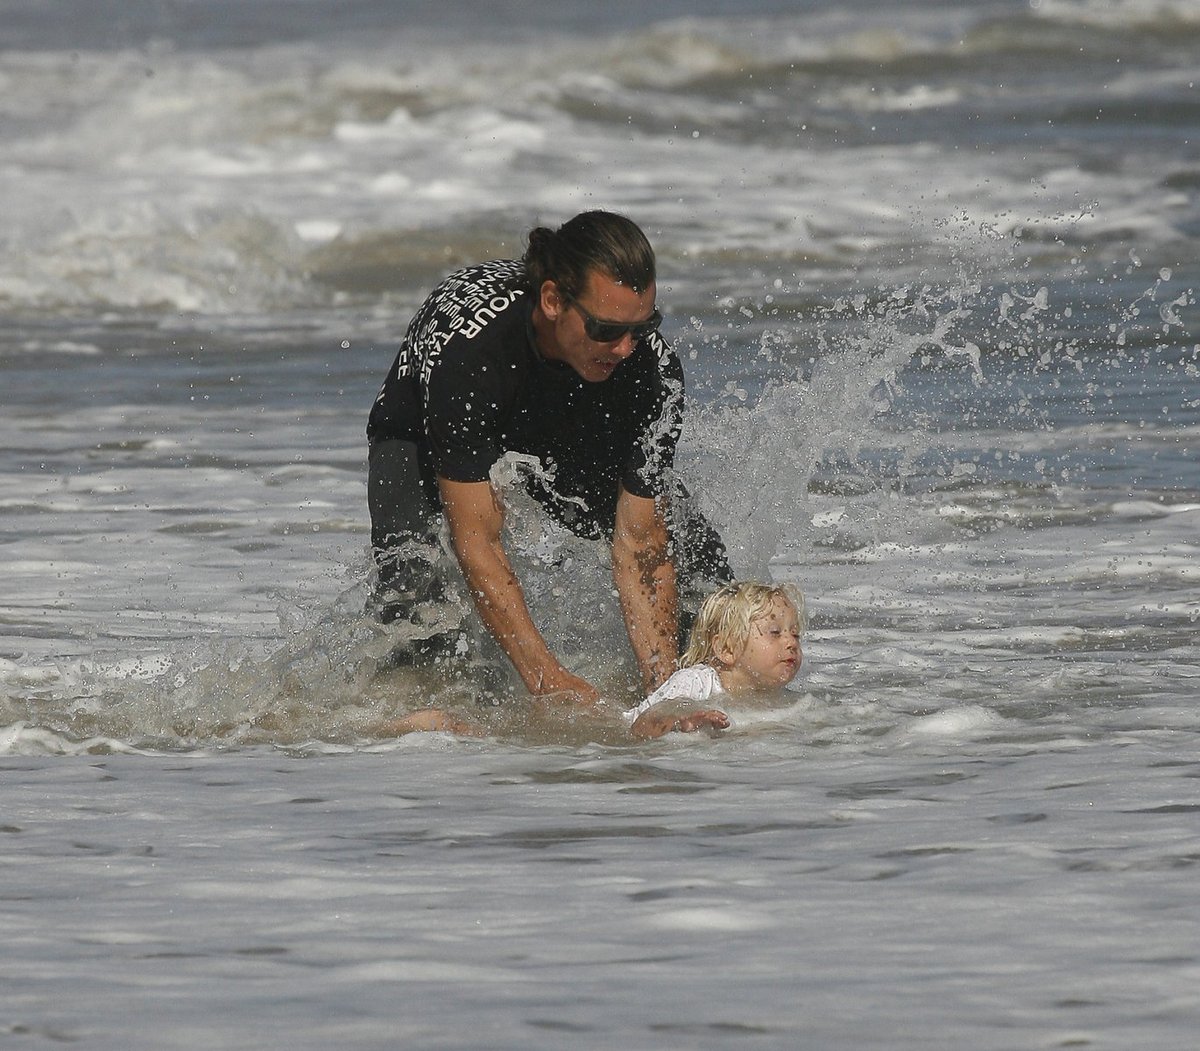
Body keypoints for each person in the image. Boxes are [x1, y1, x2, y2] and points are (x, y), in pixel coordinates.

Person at [367, 210, 731, 704]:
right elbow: (478, 540)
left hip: (567, 405)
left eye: (642, 327)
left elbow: (641, 545)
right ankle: (409, 716)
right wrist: (546, 678)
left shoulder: (649, 367)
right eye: (606, 329)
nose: (625, 348)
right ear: (554, 300)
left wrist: (664, 694)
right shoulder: (472, 356)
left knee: (707, 586)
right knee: (418, 600)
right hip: (421, 428)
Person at [624, 580, 805, 739]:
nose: (791, 642)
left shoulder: (778, 695)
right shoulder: (696, 682)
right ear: (727, 649)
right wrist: (680, 722)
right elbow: (642, 725)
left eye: (795, 634)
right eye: (775, 632)